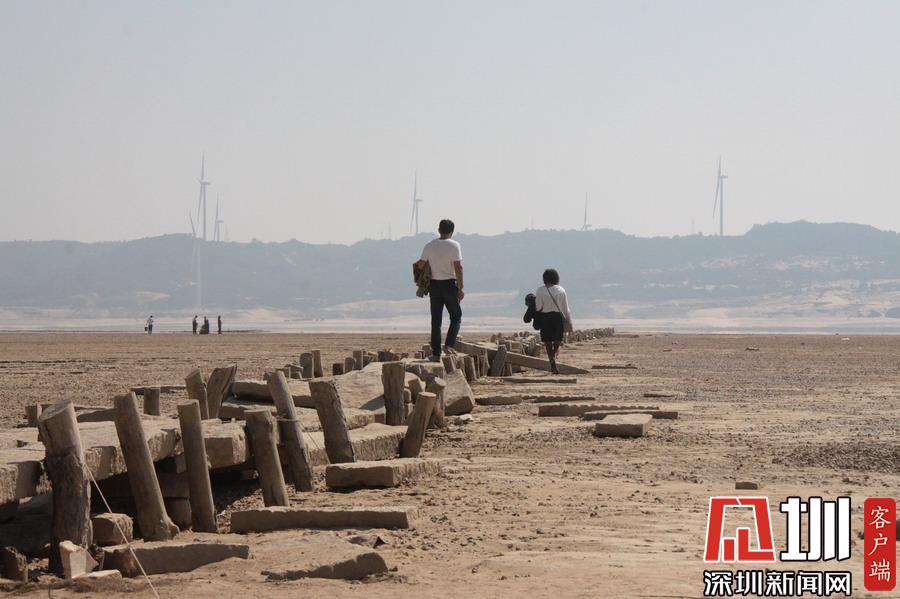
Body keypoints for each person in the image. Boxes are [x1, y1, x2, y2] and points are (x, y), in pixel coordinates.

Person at [415, 219, 464, 361]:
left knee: (436, 320)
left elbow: (420, 264)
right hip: (449, 284)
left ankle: (436, 353)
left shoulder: (429, 245)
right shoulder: (454, 245)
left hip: (434, 286)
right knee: (456, 316)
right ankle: (449, 345)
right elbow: (458, 267)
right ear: (452, 231)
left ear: (438, 230)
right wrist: (460, 287)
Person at [534, 268, 572, 375]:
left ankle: (552, 362)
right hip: (557, 317)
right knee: (557, 341)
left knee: (547, 342)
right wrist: (568, 320)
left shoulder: (540, 290)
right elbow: (565, 308)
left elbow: (538, 307)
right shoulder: (561, 290)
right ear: (556, 278)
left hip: (545, 317)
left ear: (544, 278)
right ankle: (553, 357)